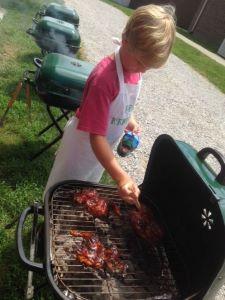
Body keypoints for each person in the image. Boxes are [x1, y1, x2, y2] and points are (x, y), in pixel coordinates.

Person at [44, 4, 176, 208]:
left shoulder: (133, 70)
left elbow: (121, 103)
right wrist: (121, 176)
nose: (144, 70)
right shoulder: (104, 79)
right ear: (125, 40)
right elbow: (95, 136)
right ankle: (44, 223)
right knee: (62, 190)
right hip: (82, 147)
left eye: (149, 66)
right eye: (141, 62)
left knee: (85, 190)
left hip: (101, 151)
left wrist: (128, 119)